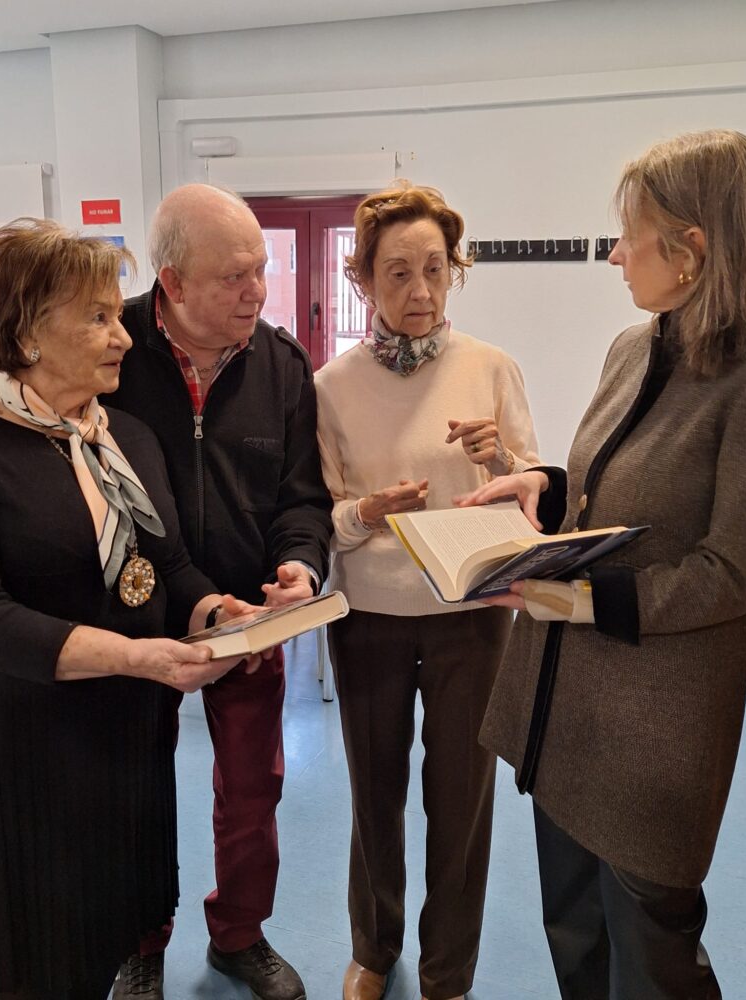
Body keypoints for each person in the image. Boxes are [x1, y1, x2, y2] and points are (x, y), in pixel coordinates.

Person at [0, 186, 333, 1000]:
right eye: (234, 275)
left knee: (164, 843)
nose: (120, 336)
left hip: (164, 669)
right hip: (36, 720)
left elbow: (172, 555)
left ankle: (222, 935)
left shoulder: (129, 428)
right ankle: (138, 951)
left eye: (261, 270)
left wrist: (223, 605)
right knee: (43, 942)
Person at [459, 129, 746, 998]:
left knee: (653, 960)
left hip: (654, 734)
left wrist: (582, 601)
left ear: (692, 250)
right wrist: (547, 484)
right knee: (576, 940)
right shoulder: (636, 346)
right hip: (565, 713)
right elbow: (622, 496)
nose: (614, 256)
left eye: (627, 237)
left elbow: (729, 574)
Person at [314, 182, 542, 1000]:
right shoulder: (332, 385)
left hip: (471, 615)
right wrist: (365, 512)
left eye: (436, 270)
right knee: (373, 797)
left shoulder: (491, 368)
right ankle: (374, 950)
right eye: (399, 273)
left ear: (455, 271)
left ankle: (449, 969)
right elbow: (323, 515)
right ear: (363, 280)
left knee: (462, 802)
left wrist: (503, 462)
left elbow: (534, 493)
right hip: (368, 617)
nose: (421, 291)